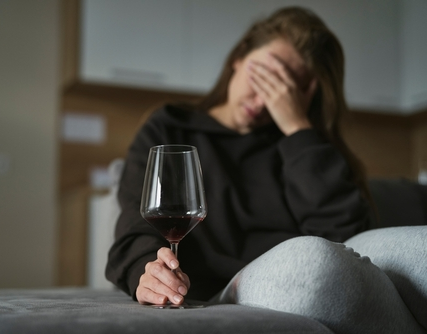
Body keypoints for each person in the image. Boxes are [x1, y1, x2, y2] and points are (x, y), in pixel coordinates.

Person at [106, 6, 427, 334]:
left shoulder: (300, 145)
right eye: (263, 76)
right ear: (239, 57)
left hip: (332, 272)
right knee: (312, 262)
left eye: (284, 91)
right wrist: (145, 271)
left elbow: (348, 238)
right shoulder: (170, 128)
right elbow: (136, 221)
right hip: (241, 285)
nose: (263, 101)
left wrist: (298, 127)